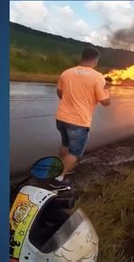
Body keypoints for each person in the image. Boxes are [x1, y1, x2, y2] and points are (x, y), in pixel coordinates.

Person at [51, 47, 111, 188]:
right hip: (79, 121)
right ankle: (58, 180)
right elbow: (106, 103)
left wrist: (69, 101)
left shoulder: (67, 72)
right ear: (96, 60)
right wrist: (106, 91)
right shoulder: (98, 77)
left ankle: (62, 167)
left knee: (65, 144)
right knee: (75, 153)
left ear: (82, 57)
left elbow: (59, 92)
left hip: (61, 117)